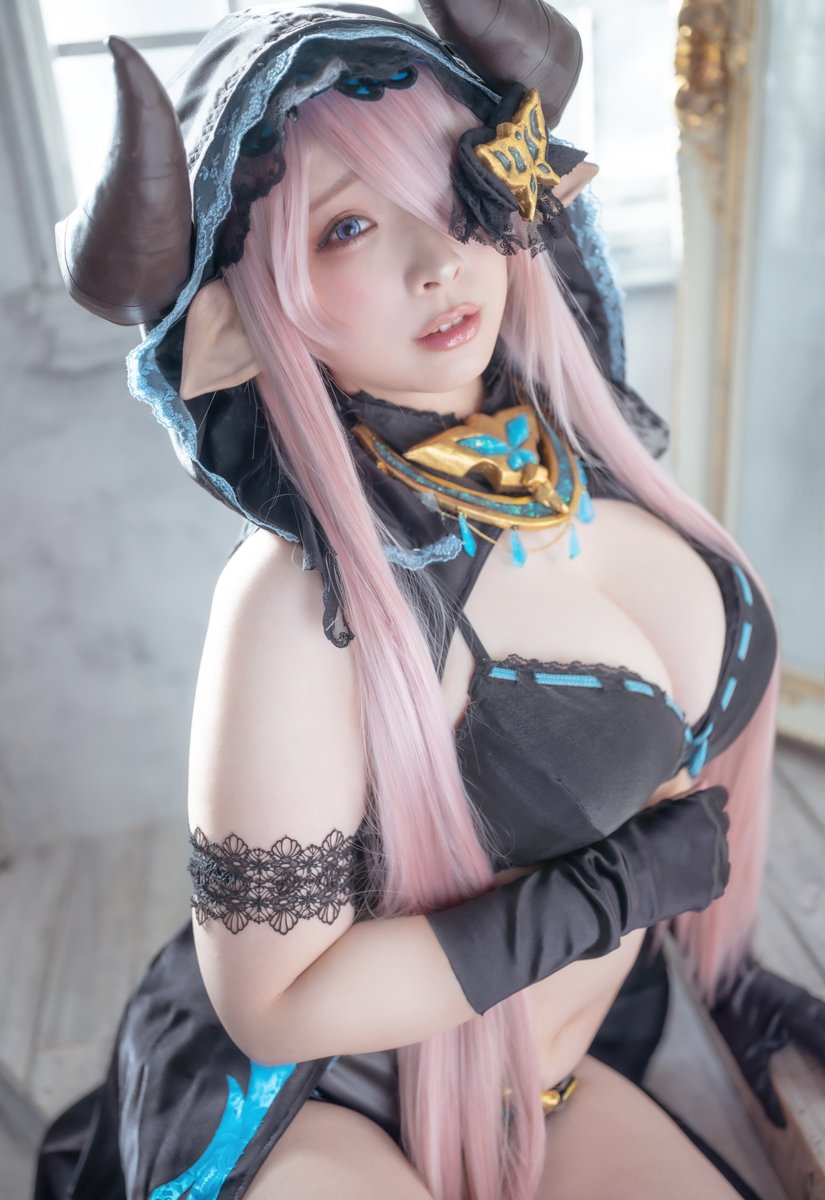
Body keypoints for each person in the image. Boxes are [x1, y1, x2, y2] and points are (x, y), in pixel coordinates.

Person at [35, 4, 824, 1199]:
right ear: (245, 315)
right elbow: (276, 1003)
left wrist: (728, 976)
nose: (437, 260)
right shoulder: (296, 602)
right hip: (311, 1106)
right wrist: (615, 890)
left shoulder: (601, 473)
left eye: (454, 187)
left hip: (538, 1083)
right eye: (349, 224)